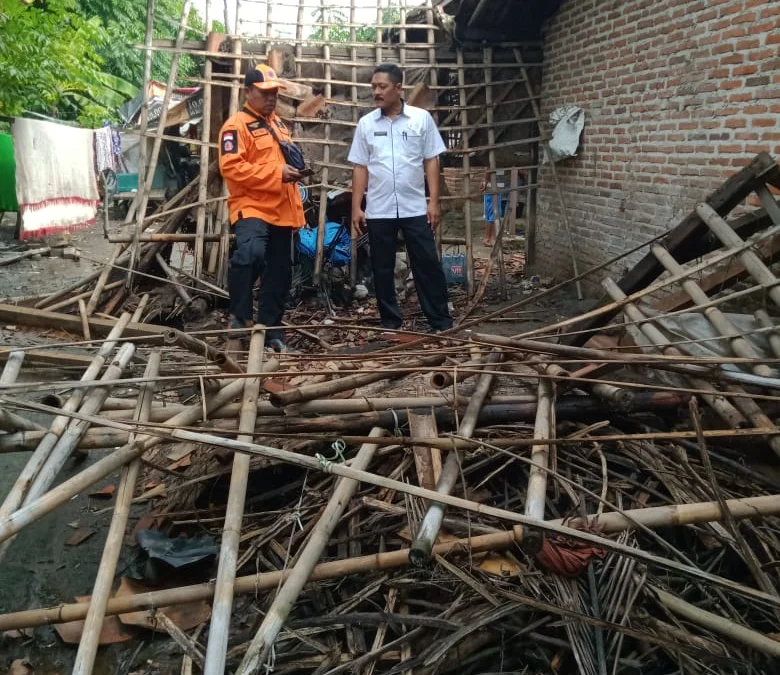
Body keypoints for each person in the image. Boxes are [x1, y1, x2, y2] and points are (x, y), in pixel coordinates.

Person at [348, 63, 453, 333]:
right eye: (373, 87)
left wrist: (433, 201)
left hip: (414, 206)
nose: (376, 92)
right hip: (379, 207)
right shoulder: (366, 124)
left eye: (382, 86)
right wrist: (356, 206)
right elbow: (360, 166)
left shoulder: (421, 119)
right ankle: (390, 322)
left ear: (398, 88)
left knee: (427, 262)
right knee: (381, 267)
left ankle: (440, 321)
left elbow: (431, 160)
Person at [218, 64, 305, 352]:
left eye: (274, 93)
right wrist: (277, 173)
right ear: (248, 92)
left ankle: (272, 331)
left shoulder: (279, 125)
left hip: (283, 208)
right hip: (252, 206)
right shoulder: (235, 127)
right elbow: (232, 169)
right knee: (250, 253)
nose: (271, 98)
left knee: (280, 272)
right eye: (265, 93)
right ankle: (239, 315)